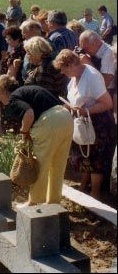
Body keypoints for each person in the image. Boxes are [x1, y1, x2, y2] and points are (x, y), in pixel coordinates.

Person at [0, 75, 73, 206]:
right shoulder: (28, 90)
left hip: (50, 122)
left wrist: (24, 133)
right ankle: (53, 201)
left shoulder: (13, 98)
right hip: (66, 118)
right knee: (58, 164)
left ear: (3, 90)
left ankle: (35, 202)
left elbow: (29, 113)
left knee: (40, 164)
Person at [54, 50, 116, 198]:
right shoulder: (75, 76)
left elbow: (107, 103)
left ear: (73, 64)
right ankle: (83, 186)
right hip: (84, 120)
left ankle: (95, 193)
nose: (62, 72)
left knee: (96, 159)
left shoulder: (92, 77)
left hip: (97, 122)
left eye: (64, 69)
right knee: (85, 155)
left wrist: (85, 110)